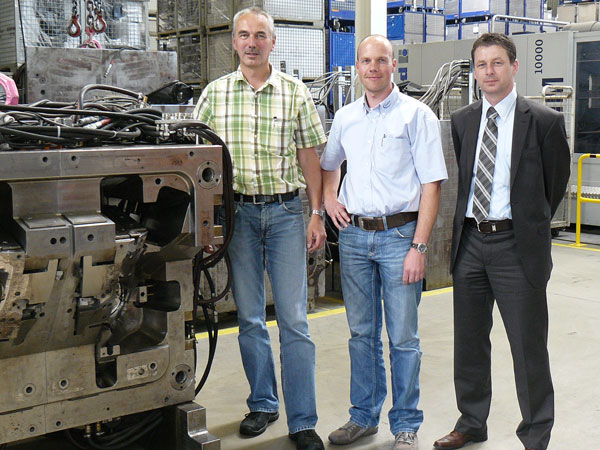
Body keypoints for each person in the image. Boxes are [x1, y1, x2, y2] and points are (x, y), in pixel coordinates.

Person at [193, 7, 327, 450]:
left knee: (294, 320)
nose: (252, 43)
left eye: (260, 35)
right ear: (234, 42)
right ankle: (264, 404)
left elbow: (311, 156)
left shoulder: (294, 93)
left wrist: (315, 213)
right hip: (240, 218)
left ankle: (303, 421)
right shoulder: (214, 95)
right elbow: (199, 162)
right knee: (250, 318)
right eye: (244, 35)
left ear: (274, 42)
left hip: (288, 213)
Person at [433, 33, 570, 450]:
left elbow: (554, 186)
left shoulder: (543, 121)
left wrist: (525, 227)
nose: (488, 72)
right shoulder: (463, 120)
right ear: (474, 72)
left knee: (528, 346)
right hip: (471, 243)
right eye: (481, 65)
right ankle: (472, 422)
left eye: (496, 63)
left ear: (513, 66)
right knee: (470, 341)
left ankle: (535, 435)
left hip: (517, 248)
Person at [321, 35, 448, 450]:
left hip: (400, 238)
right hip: (355, 237)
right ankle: (363, 417)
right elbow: (330, 164)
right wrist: (327, 198)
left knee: (404, 338)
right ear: (356, 67)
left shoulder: (417, 116)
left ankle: (406, 424)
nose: (372, 68)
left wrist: (420, 246)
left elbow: (432, 185)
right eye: (365, 61)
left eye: (381, 61)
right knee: (361, 334)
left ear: (394, 66)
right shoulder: (345, 117)